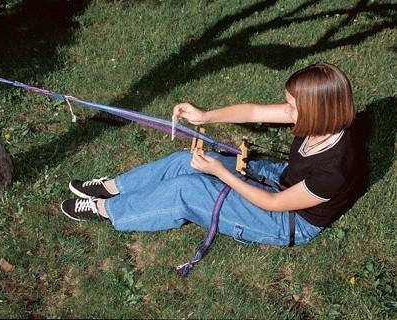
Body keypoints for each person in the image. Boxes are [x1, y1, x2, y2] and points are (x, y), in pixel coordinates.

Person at [60, 62, 360, 246]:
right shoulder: (324, 120)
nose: (286, 111)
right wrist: (204, 116)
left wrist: (222, 173)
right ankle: (113, 188)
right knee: (183, 162)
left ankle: (105, 209)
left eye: (292, 107)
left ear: (317, 110)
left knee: (186, 190)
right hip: (282, 177)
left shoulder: (333, 171)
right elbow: (254, 110)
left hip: (288, 220)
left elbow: (274, 203)